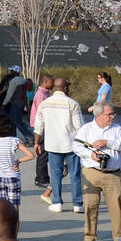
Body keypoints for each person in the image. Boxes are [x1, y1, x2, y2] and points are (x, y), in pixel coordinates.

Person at [71, 102, 121, 241]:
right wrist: (91, 154)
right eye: (109, 114)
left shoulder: (117, 129)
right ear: (99, 115)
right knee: (90, 206)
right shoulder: (87, 129)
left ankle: (119, 238)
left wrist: (107, 142)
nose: (113, 116)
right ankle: (89, 237)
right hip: (91, 171)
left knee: (117, 207)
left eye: (113, 113)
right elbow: (76, 146)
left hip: (113, 174)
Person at [34, 77, 85, 211]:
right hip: (71, 145)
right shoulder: (72, 103)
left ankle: (57, 203)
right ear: (66, 88)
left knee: (56, 174)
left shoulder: (45, 104)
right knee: (75, 175)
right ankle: (77, 204)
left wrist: (36, 142)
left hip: (53, 145)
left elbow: (39, 126)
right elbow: (79, 127)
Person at [0, 110, 34, 207]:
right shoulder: (14, 141)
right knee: (14, 210)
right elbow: (31, 155)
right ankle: (15, 222)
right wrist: (18, 161)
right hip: (13, 176)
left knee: (0, 209)